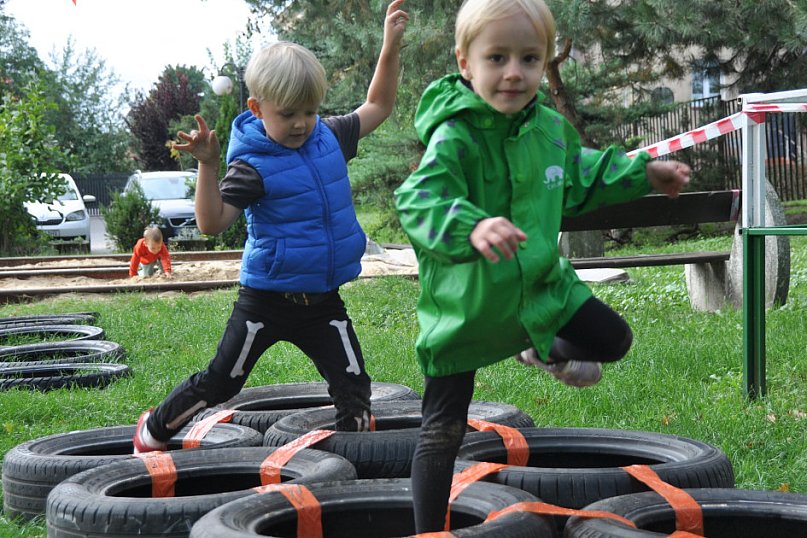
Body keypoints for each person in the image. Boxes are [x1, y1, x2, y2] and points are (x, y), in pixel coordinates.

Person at [393, 0, 691, 532]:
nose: (514, 72)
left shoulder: (550, 129)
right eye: (498, 57)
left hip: (542, 290)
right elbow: (418, 199)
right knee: (442, 431)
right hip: (468, 308)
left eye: (530, 59)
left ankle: (540, 347)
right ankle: (429, 530)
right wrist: (472, 225)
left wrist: (645, 174)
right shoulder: (455, 136)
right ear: (466, 63)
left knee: (613, 340)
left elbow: (580, 175)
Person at [132, 0, 409, 453]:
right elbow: (211, 223)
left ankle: (356, 465)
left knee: (355, 386)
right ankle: (156, 429)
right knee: (221, 383)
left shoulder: (330, 137)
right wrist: (207, 164)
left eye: (309, 111)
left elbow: (378, 103)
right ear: (257, 108)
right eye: (288, 114)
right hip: (265, 302)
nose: (301, 123)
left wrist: (390, 45)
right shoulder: (252, 165)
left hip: (322, 302)